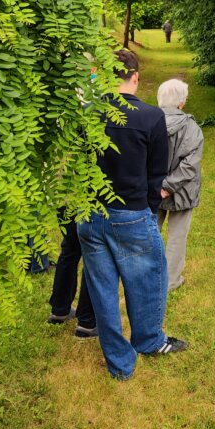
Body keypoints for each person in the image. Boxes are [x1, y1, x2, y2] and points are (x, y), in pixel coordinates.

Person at [76, 49, 187, 380]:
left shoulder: (89, 113)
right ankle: (149, 341)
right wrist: (149, 210)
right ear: (136, 77)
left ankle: (120, 363)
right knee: (149, 277)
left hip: (90, 213)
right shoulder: (151, 117)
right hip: (131, 213)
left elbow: (81, 164)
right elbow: (157, 173)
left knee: (102, 288)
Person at [156, 78, 204, 292]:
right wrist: (168, 187)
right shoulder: (193, 128)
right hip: (182, 191)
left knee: (150, 232)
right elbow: (190, 165)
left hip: (154, 189)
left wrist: (161, 186)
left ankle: (145, 273)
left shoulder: (149, 122)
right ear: (182, 102)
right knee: (177, 236)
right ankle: (171, 280)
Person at [46, 212, 98, 339]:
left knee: (69, 248)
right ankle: (87, 322)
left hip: (66, 203)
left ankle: (59, 310)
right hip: (88, 205)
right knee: (92, 255)